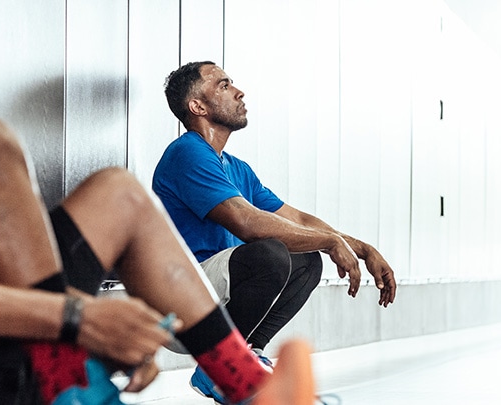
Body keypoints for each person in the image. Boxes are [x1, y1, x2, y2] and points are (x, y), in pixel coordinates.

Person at [0, 2, 313, 404]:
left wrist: (93, 328)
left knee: (10, 150)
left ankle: (245, 384)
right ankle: (67, 371)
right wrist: (77, 319)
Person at [153, 61, 397, 401]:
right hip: (182, 304)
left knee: (307, 259)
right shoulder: (187, 153)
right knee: (268, 254)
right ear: (198, 106)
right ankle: (218, 369)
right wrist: (330, 241)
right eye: (223, 86)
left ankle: (245, 358)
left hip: (216, 297)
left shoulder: (237, 168)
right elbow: (247, 224)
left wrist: (360, 247)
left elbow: (295, 220)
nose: (238, 91)